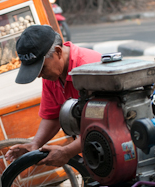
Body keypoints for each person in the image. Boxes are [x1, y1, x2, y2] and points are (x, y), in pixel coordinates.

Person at [5, 25, 102, 167]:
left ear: (58, 52)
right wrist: (35, 144)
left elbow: (101, 124)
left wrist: (67, 152)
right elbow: (53, 115)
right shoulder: (52, 75)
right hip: (94, 147)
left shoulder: (89, 68)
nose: (39, 75)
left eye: (41, 68)